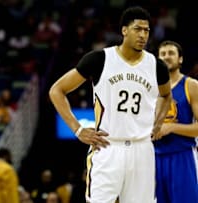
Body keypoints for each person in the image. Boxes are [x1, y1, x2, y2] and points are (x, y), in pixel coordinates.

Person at [49, 6, 172, 203]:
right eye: (137, 29)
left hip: (142, 149)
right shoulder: (99, 59)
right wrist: (77, 129)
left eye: (146, 31)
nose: (143, 35)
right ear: (124, 30)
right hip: (108, 146)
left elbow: (166, 96)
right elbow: (57, 90)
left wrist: (158, 123)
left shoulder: (157, 66)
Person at [154, 40, 198, 203]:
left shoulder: (191, 85)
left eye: (171, 53)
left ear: (180, 59)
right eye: (163, 54)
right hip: (154, 157)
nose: (167, 57)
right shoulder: (150, 88)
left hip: (182, 156)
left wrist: (171, 127)